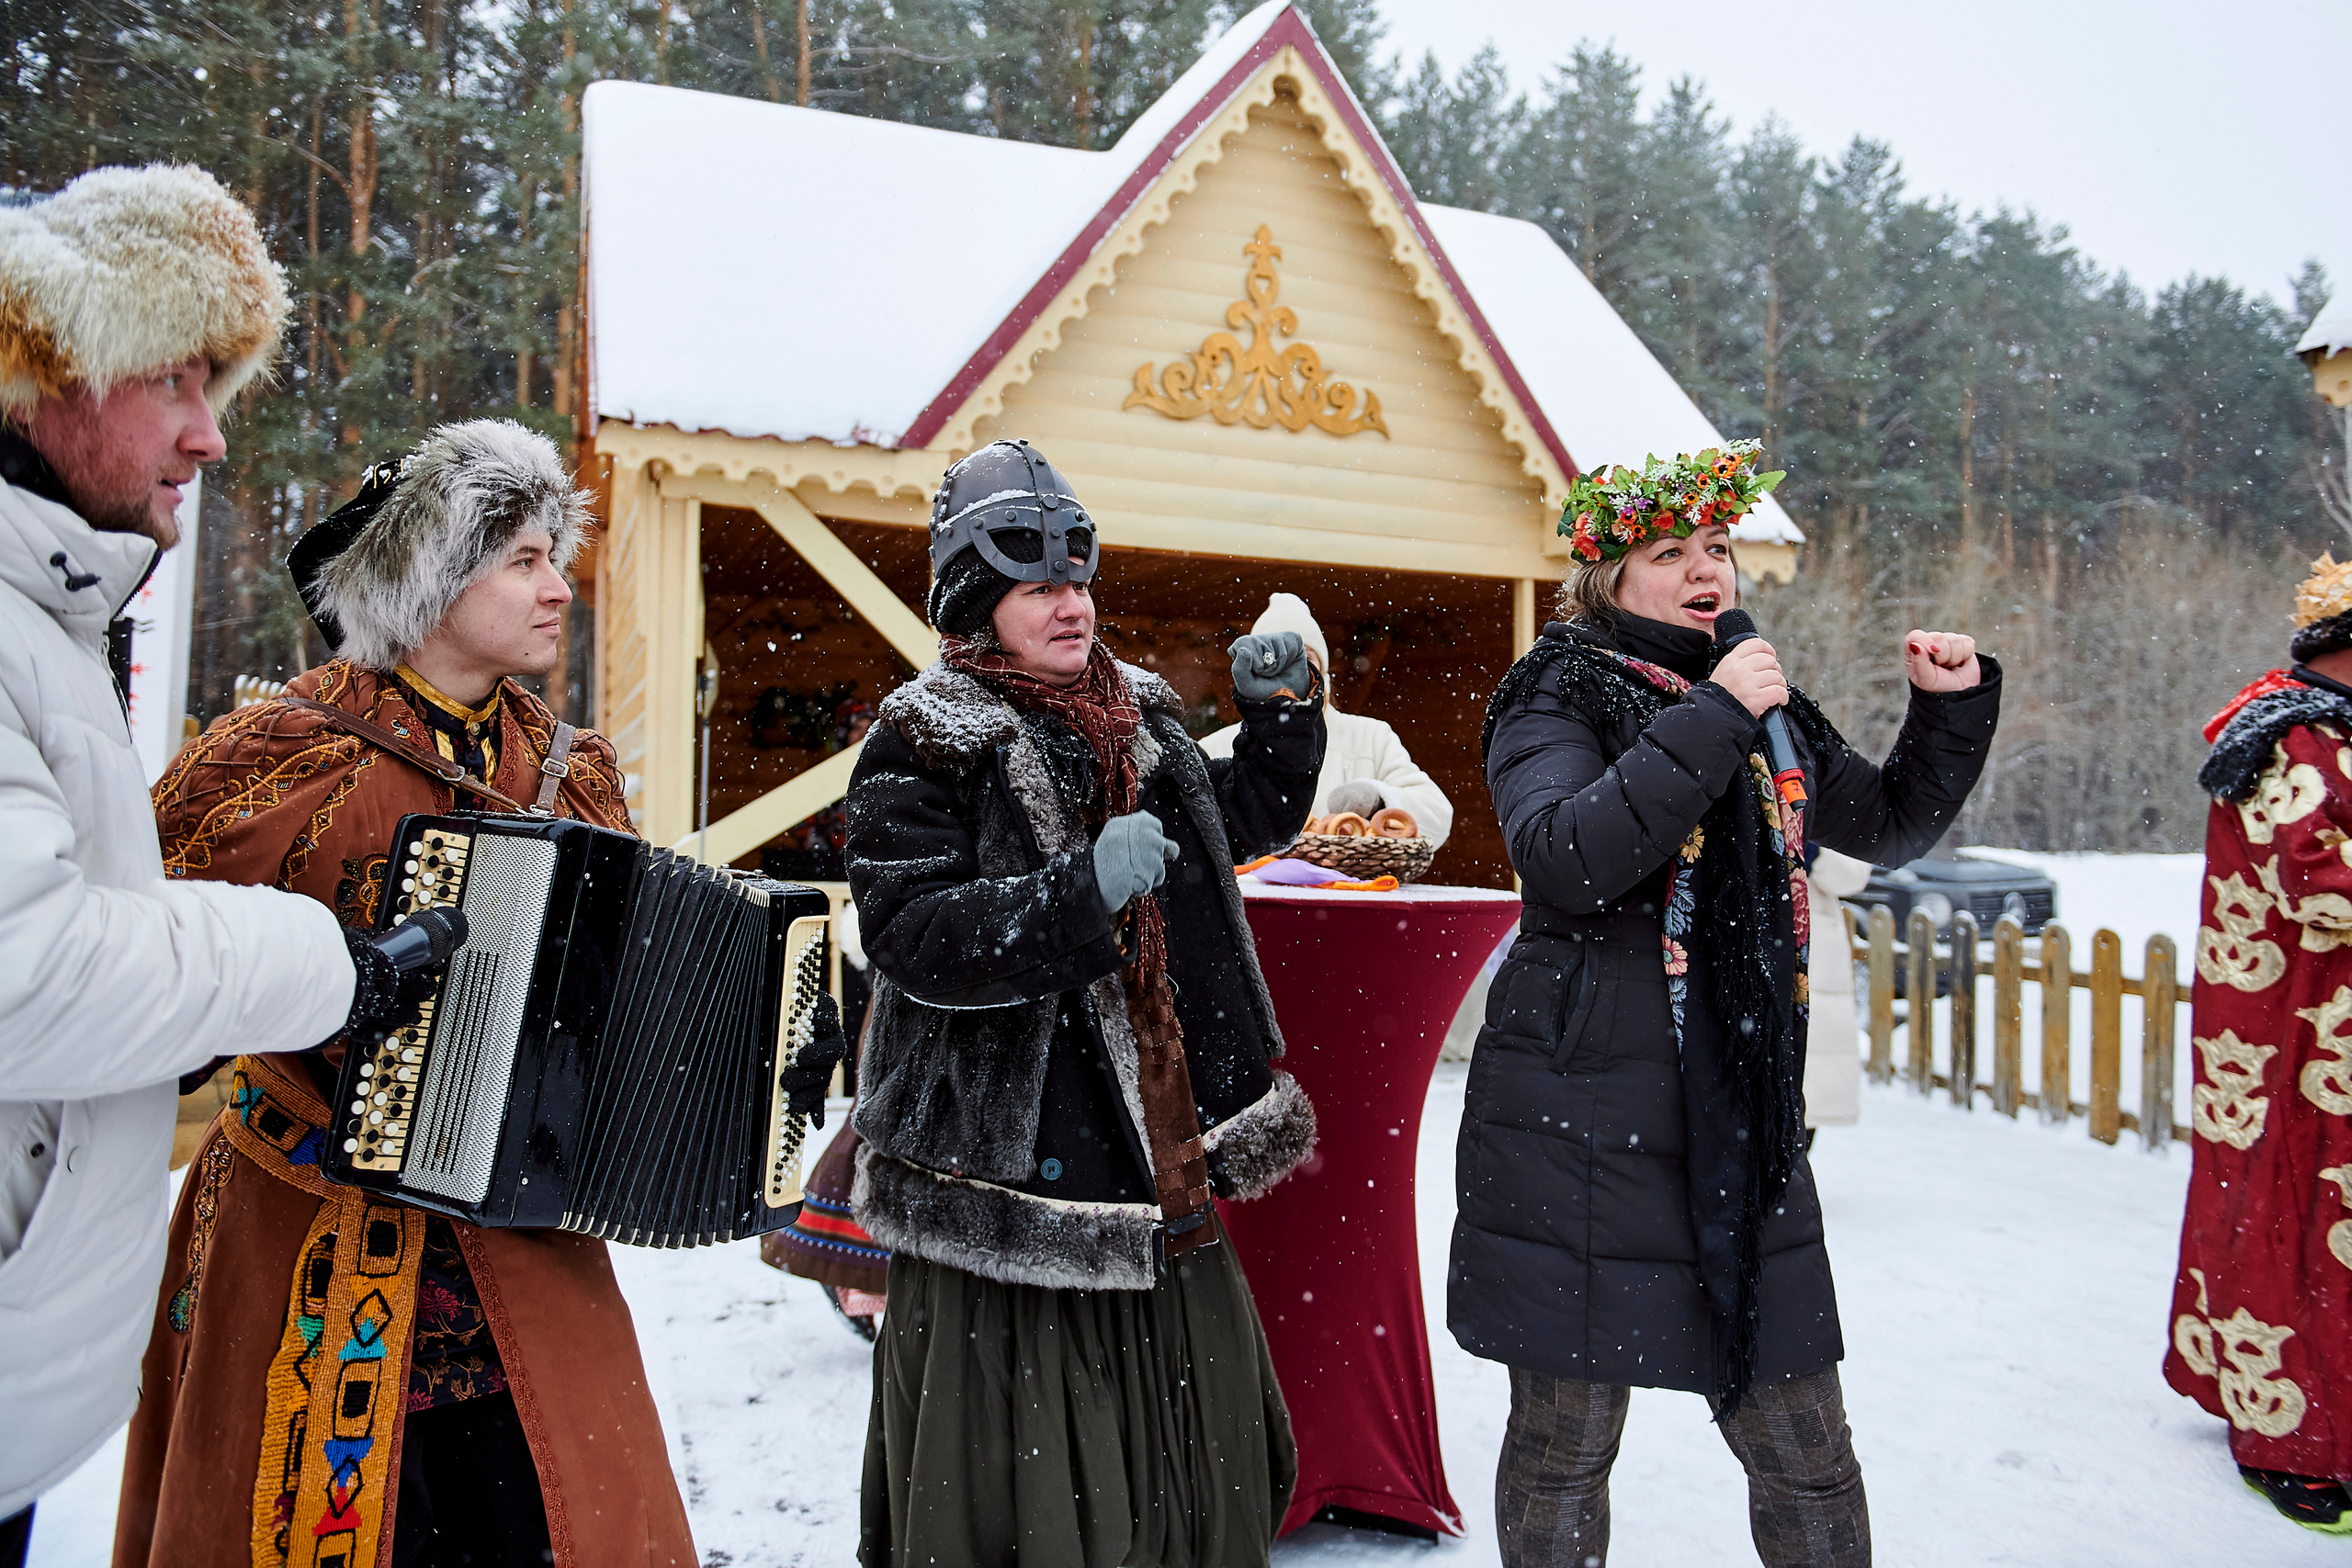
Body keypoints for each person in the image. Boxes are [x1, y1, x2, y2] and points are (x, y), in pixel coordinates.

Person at [117, 421, 705, 1568]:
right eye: (523, 561)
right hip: (303, 1234)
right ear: (430, 580)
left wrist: (737, 1051)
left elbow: (619, 996)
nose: (559, 587)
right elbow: (136, 978)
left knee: (552, 1520)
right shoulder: (275, 757)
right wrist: (310, 992)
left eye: (554, 557)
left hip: (519, 1264)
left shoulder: (570, 772)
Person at [1453, 441, 2000, 1567]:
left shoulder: (1758, 699)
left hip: (1737, 1115)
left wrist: (1944, 711)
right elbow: (1564, 857)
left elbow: (1885, 825)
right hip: (1578, 1123)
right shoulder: (1557, 688)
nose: (1707, 569)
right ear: (1606, 577)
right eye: (1669, 552)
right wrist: (1713, 714)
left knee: (1807, 1452)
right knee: (1565, 1447)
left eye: (1716, 546)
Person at [0, 164, 405, 1559]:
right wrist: (319, 961)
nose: (210, 433)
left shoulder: (48, 620)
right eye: (175, 378)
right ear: (47, 364)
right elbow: (27, 970)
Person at [846, 438, 1322, 1568]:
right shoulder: (922, 738)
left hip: (1158, 1134)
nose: (1070, 606)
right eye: (1035, 588)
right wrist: (1077, 893)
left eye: (1077, 581)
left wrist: (1280, 719)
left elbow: (1227, 827)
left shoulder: (1138, 713)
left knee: (1201, 1463)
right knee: (1034, 1492)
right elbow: (914, 939)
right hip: (1017, 1166)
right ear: (976, 603)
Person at [2166, 551, 2352, 1535]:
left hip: (2309, 1029)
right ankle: (2287, 1440)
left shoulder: (2318, 725)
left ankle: (2263, 1394)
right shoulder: (2294, 736)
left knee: (2281, 1211)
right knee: (2292, 1218)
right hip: (2290, 1039)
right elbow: (2318, 879)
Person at [1201, 591, 1454, 846]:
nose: (1291, 670)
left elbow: (1438, 818)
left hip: (1355, 874)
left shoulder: (1371, 738)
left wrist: (1377, 798)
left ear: (1323, 674)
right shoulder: (1217, 747)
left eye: (1304, 658)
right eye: (1276, 659)